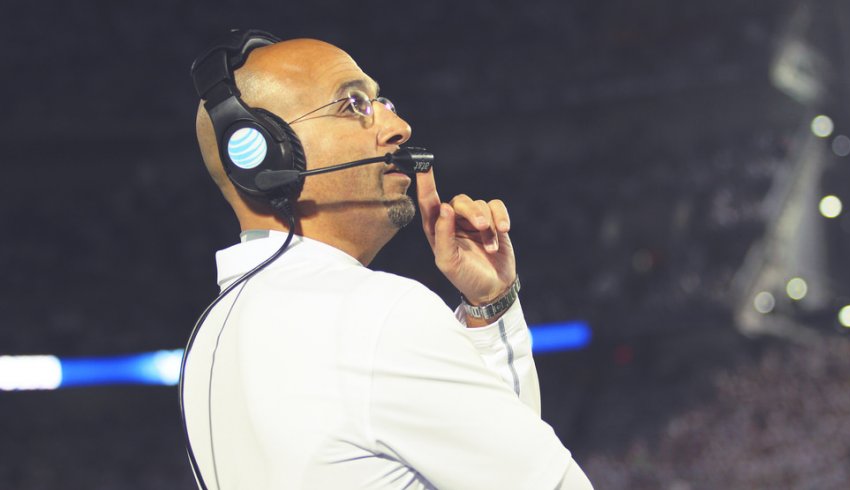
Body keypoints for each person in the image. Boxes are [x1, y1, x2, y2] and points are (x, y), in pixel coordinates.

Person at [180, 31, 593, 490]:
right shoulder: (375, 312)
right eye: (352, 105)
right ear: (264, 154)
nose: (399, 128)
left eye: (382, 103)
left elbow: (498, 461)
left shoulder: (207, 346)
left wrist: (490, 307)